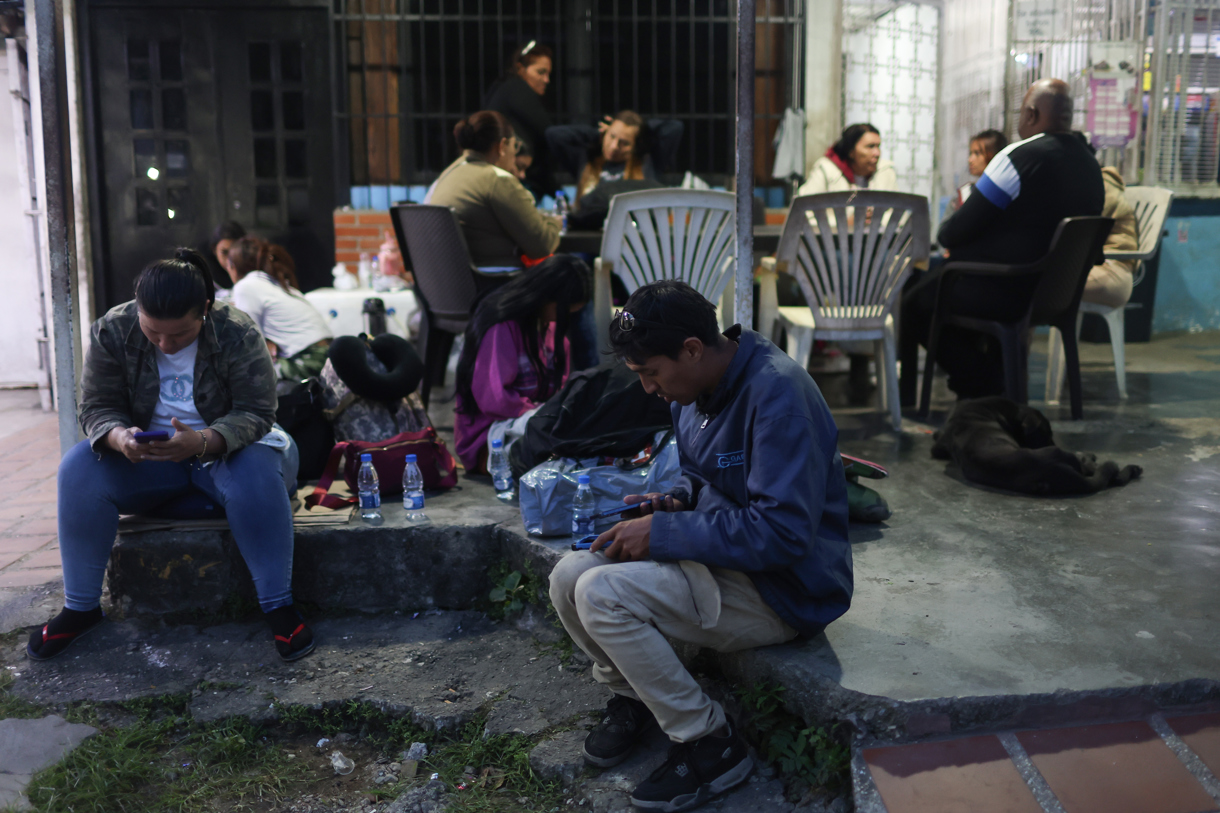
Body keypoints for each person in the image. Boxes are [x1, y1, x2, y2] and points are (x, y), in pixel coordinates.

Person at [549, 281, 852, 812]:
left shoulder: (779, 397)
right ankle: (634, 696)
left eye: (651, 373)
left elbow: (782, 534)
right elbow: (700, 478)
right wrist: (670, 502)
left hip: (783, 589)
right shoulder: (689, 392)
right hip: (724, 561)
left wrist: (664, 534)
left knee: (601, 593)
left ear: (692, 349)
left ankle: (711, 743)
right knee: (569, 576)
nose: (648, 389)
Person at [28, 249, 314, 663]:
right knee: (77, 467)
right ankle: (81, 607)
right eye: (152, 331)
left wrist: (202, 441)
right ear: (138, 310)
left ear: (205, 310)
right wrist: (118, 437)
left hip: (228, 454)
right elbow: (96, 407)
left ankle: (279, 605)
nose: (164, 343)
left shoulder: (237, 331)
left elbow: (257, 413)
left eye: (178, 335)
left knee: (255, 466)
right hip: (152, 463)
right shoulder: (114, 329)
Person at [899, 79, 1104, 401]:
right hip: (1056, 294)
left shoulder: (1019, 158)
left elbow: (953, 232)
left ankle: (981, 385)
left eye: (1021, 112)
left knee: (915, 299)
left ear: (1032, 114)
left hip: (1007, 290)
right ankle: (991, 383)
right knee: (942, 288)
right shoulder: (1091, 166)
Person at [452, 255, 592, 473]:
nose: (560, 321)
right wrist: (543, 414)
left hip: (531, 421)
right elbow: (494, 401)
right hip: (491, 437)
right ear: (544, 297)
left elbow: (559, 393)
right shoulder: (501, 326)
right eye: (562, 312)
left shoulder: (553, 333)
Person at [428, 110, 562, 269]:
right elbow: (542, 245)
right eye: (515, 146)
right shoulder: (497, 179)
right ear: (502, 146)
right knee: (571, 269)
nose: (514, 153)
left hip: (452, 284)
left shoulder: (448, 173)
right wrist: (555, 223)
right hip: (495, 282)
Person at [225, 236, 333, 381]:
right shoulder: (275, 282)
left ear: (232, 266)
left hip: (310, 359)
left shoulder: (245, 287)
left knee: (240, 376)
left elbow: (246, 344)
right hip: (327, 354)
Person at [484, 41, 555, 195]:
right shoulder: (516, 88)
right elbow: (547, 129)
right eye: (540, 72)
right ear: (520, 69)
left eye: (548, 74)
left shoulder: (503, 88)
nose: (546, 80)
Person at [1083, 166, 1138, 308]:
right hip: (1092, 267)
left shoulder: (1102, 187)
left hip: (1112, 271)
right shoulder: (1090, 182)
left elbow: (1079, 232)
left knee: (1034, 287)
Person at [798, 123, 897, 194]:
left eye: (878, 146)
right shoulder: (826, 170)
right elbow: (804, 210)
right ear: (851, 152)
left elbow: (897, 212)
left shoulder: (885, 171)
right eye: (870, 146)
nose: (877, 153)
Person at [946, 129, 1009, 215]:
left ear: (994, 156)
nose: (970, 160)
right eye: (970, 153)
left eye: (977, 153)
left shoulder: (1007, 194)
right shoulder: (964, 195)